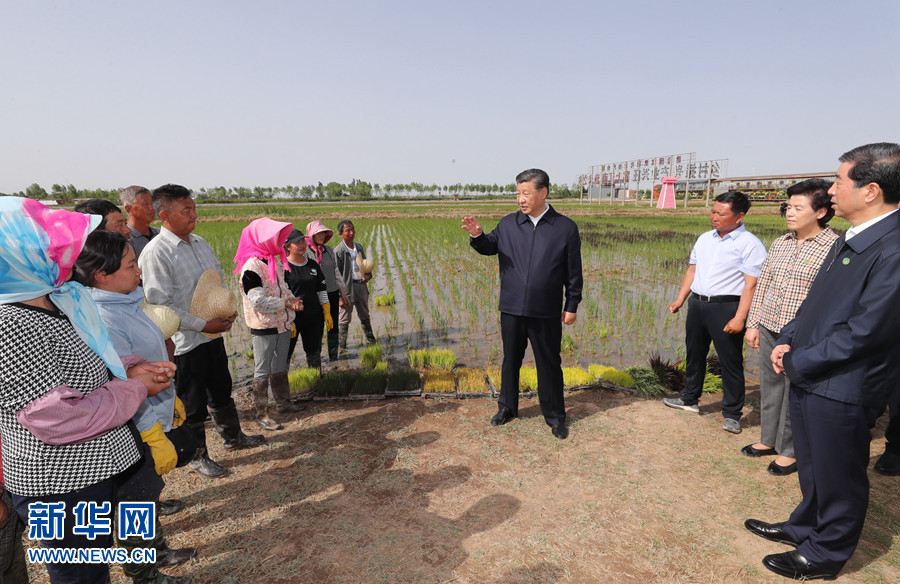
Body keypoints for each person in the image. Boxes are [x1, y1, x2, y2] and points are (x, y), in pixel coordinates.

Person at [0, 197, 176, 584]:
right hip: (56, 485)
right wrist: (135, 389)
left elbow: (88, 361)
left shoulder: (57, 299)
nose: (66, 253)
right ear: (22, 256)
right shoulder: (10, 326)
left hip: (94, 471)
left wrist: (130, 365)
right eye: (52, 246)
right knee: (79, 574)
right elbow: (55, 417)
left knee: (93, 567)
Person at [746, 142, 900, 580]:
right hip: (815, 373)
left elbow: (867, 332)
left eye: (838, 180)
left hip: (845, 384)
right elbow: (816, 302)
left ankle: (825, 553)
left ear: (870, 190)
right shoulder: (854, 237)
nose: (831, 190)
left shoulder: (892, 249)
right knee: (815, 465)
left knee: (840, 474)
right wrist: (788, 340)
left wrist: (800, 360)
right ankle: (805, 527)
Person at [74, 230, 201, 581]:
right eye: (131, 265)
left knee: (145, 496)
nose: (139, 271)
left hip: (146, 414)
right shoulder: (107, 318)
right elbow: (121, 383)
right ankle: (144, 572)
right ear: (103, 275)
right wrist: (152, 429)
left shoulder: (125, 301)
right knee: (135, 503)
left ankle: (156, 551)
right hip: (132, 425)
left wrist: (167, 397)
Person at [139, 184, 264, 479]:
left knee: (221, 388)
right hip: (185, 342)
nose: (194, 214)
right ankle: (198, 456)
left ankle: (233, 437)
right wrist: (203, 324)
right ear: (165, 215)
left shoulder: (201, 242)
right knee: (192, 403)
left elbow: (216, 285)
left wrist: (224, 311)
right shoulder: (156, 253)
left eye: (194, 208)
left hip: (211, 336)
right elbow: (160, 306)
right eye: (187, 210)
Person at [461, 168, 582, 440]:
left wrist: (572, 304)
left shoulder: (565, 228)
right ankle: (507, 407)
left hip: (546, 311)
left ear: (543, 192)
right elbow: (489, 246)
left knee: (549, 363)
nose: (520, 199)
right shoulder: (508, 224)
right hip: (512, 308)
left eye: (526, 193)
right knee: (510, 360)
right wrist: (477, 235)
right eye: (518, 193)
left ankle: (555, 417)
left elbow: (574, 272)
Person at [743, 180, 838, 476]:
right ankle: (768, 439)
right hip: (771, 324)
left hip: (804, 334)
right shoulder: (781, 243)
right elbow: (764, 285)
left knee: (795, 390)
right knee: (770, 386)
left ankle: (790, 450)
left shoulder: (833, 248)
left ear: (821, 211)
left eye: (798, 208)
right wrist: (753, 323)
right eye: (788, 207)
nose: (790, 213)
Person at [663, 191, 767, 434]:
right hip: (698, 305)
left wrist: (740, 317)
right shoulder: (704, 239)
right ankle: (689, 399)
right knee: (694, 354)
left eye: (722, 213)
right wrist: (680, 299)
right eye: (713, 211)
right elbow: (692, 271)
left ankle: (731, 414)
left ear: (740, 216)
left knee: (730, 362)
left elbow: (751, 285)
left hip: (726, 307)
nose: (715, 217)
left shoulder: (750, 244)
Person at [234, 218, 304, 431]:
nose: (280, 241)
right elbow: (258, 301)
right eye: (276, 238)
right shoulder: (252, 268)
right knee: (262, 370)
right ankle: (262, 414)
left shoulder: (274, 261)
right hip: (264, 327)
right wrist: (286, 303)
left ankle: (284, 404)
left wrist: (293, 300)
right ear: (262, 240)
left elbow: (284, 288)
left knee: (279, 366)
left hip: (282, 324)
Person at [284, 229, 333, 371]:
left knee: (313, 351)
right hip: (292, 318)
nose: (302, 245)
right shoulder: (283, 267)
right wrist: (288, 318)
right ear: (288, 246)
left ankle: (315, 379)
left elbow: (321, 289)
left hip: (313, 317)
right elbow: (282, 294)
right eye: (297, 243)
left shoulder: (312, 265)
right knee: (285, 353)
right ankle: (282, 385)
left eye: (303, 242)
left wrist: (326, 311)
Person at [305, 220, 349, 362]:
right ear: (311, 234)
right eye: (318, 233)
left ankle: (333, 356)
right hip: (314, 296)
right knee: (317, 327)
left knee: (333, 326)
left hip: (331, 292)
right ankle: (315, 359)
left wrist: (342, 292)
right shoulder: (305, 253)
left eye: (323, 233)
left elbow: (336, 272)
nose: (322, 236)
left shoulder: (328, 251)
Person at [334, 219, 376, 355]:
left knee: (364, 313)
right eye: (347, 231)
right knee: (344, 317)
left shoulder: (358, 247)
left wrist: (368, 275)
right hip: (347, 289)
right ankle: (342, 347)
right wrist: (340, 296)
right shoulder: (338, 251)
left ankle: (371, 341)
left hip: (361, 286)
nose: (351, 233)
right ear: (341, 234)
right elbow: (336, 275)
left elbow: (364, 265)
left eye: (352, 229)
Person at [120, 185, 160, 260]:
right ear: (129, 209)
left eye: (152, 203)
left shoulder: (160, 234)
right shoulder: (124, 241)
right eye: (146, 204)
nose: (152, 208)